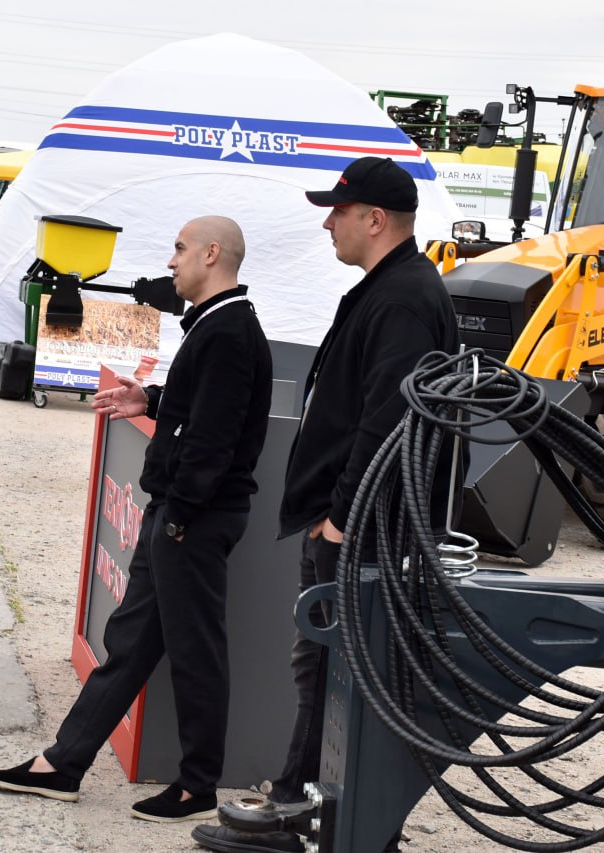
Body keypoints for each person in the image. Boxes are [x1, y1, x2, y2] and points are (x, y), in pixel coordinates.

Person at [192, 157, 462, 853]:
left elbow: (386, 420)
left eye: (338, 211)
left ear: (374, 219)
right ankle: (327, 812)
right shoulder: (391, 288)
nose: (327, 223)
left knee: (331, 671)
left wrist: (342, 518)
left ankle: (299, 816)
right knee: (335, 671)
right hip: (358, 523)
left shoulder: (403, 298)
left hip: (361, 528)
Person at [0, 216, 274, 823]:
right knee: (131, 644)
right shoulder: (217, 325)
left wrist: (179, 517)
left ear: (211, 254)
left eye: (179, 249)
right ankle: (63, 763)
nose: (170, 262)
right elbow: (202, 407)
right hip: (177, 515)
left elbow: (214, 440)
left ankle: (197, 787)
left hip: (193, 519)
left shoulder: (229, 330)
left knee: (195, 652)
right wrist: (153, 400)